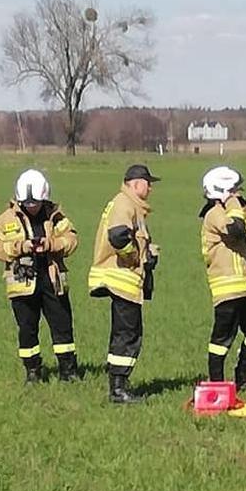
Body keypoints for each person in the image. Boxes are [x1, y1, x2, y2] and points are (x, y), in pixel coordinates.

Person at [0, 169, 79, 383]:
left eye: (36, 203)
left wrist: (52, 244)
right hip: (22, 280)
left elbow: (71, 239)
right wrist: (20, 247)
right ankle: (32, 371)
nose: (32, 206)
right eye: (28, 203)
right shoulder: (5, 219)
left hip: (52, 278)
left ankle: (68, 371)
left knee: (62, 325)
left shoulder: (55, 215)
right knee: (27, 328)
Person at [88, 164, 160, 404]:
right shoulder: (125, 204)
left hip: (124, 280)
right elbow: (119, 235)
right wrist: (134, 258)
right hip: (121, 279)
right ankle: (118, 389)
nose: (150, 188)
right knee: (127, 333)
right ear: (136, 183)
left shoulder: (129, 205)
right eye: (148, 183)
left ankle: (119, 385)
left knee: (126, 332)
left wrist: (147, 254)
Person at [200, 166, 246, 389]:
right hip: (226, 288)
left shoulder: (234, 209)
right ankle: (216, 383)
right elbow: (236, 231)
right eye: (235, 190)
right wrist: (234, 205)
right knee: (222, 339)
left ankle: (243, 377)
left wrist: (245, 204)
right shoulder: (214, 215)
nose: (239, 193)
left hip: (245, 286)